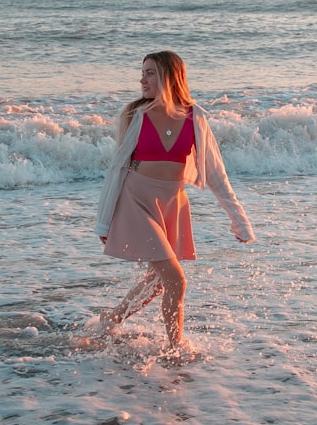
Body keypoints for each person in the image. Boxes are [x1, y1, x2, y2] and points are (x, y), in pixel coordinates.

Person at [94, 51, 255, 350]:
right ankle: (175, 349)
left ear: (170, 76)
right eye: (142, 73)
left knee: (158, 281)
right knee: (176, 281)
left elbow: (217, 175)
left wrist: (239, 219)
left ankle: (110, 320)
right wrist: (104, 220)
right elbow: (116, 169)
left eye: (150, 73)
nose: (142, 79)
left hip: (172, 203)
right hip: (136, 200)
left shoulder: (196, 118)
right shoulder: (135, 115)